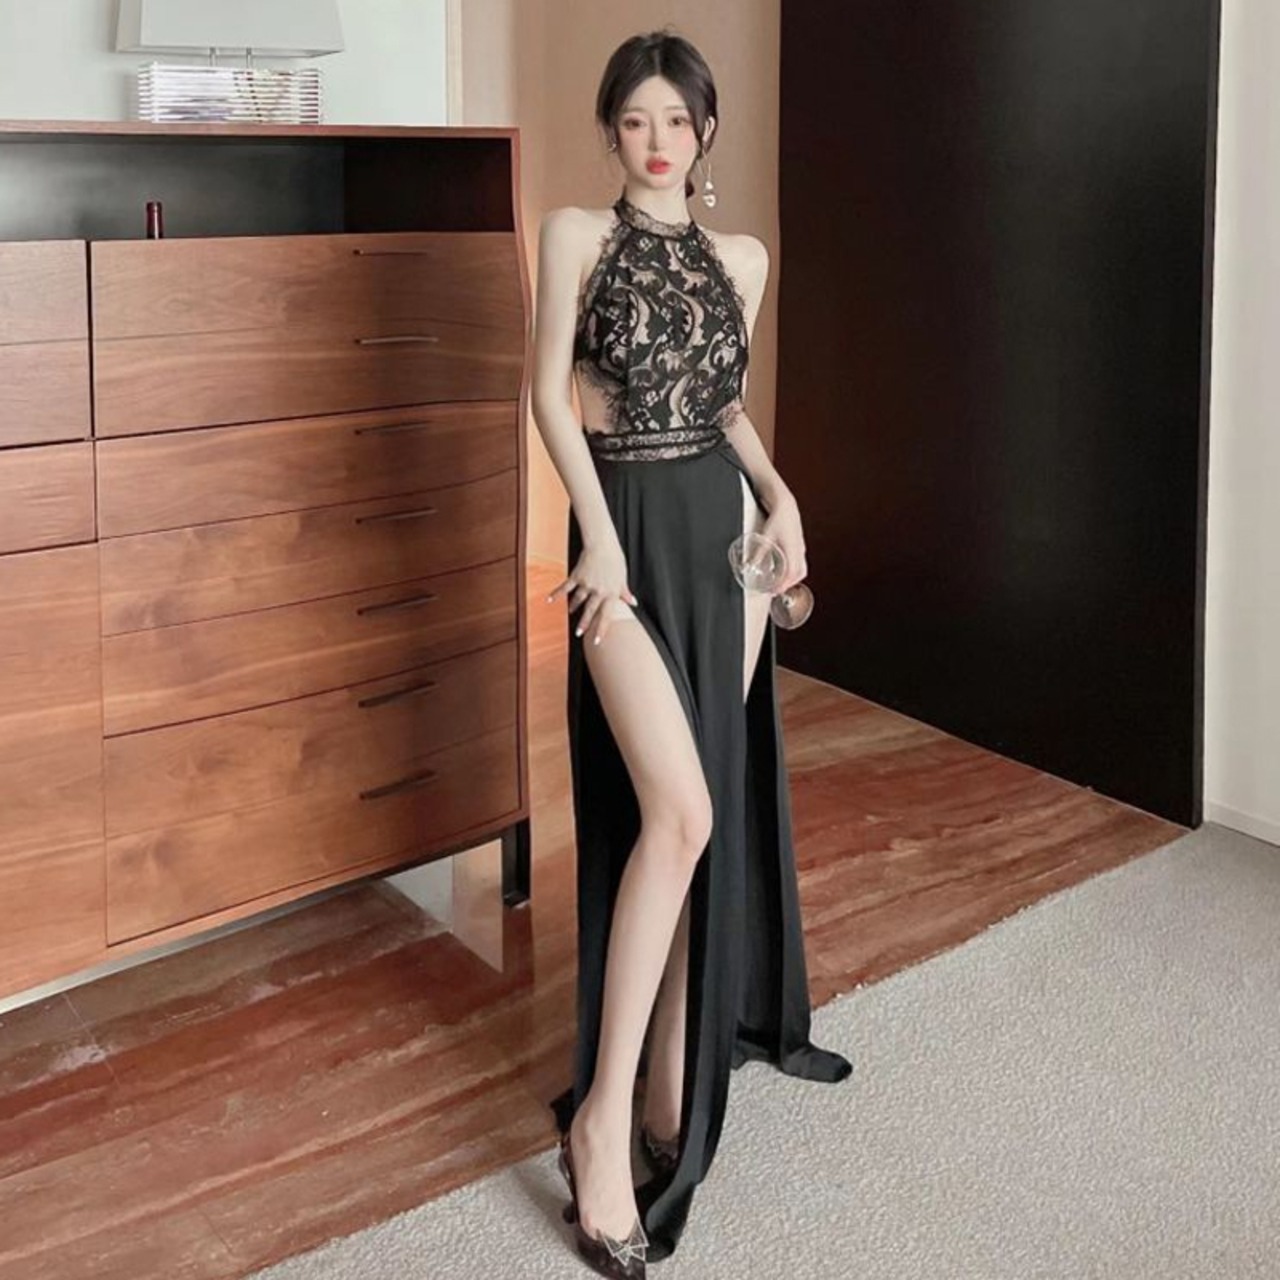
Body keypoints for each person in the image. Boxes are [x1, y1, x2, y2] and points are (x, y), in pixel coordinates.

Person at [531, 28, 853, 1277]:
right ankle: (600, 1123)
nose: (656, 141)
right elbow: (548, 397)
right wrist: (598, 539)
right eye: (635, 119)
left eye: (675, 120)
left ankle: (670, 1078)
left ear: (703, 131)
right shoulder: (575, 235)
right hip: (618, 541)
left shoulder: (741, 258)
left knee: (698, 814)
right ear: (610, 130)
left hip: (721, 545)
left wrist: (781, 497)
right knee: (674, 811)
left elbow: (722, 406)